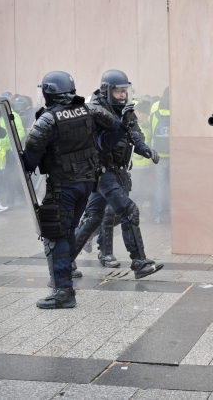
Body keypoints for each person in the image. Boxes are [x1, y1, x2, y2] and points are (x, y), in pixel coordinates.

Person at [22, 70, 127, 308]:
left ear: (49, 91)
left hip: (64, 186)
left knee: (56, 234)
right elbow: (118, 127)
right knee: (68, 231)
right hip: (87, 184)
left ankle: (63, 293)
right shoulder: (88, 109)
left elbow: (30, 159)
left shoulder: (48, 119)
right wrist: (101, 148)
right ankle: (65, 278)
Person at [73, 70, 163, 276]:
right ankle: (139, 262)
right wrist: (121, 125)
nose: (123, 95)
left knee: (93, 217)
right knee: (129, 211)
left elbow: (134, 132)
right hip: (102, 171)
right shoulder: (96, 110)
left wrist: (145, 148)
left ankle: (65, 260)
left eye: (125, 91)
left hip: (113, 171)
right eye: (118, 91)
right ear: (107, 90)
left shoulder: (121, 108)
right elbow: (104, 144)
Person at [149, 87, 170, 224]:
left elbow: (151, 127)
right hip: (174, 153)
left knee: (160, 186)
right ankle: (172, 211)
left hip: (158, 154)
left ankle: (158, 215)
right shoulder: (177, 105)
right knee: (174, 185)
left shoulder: (155, 107)